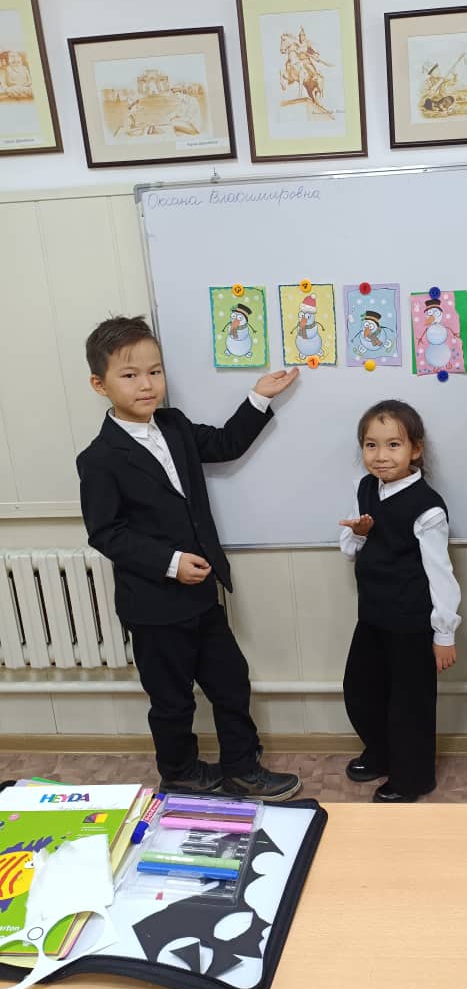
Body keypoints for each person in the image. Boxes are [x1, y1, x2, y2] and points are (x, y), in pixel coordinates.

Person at [77, 315, 302, 800]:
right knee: (172, 700)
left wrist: (258, 397)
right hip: (153, 604)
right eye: (130, 375)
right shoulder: (99, 458)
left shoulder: (174, 425)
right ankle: (179, 771)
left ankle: (242, 766)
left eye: (154, 372)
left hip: (202, 595)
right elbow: (106, 532)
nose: (146, 384)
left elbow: (224, 443)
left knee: (231, 682)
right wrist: (170, 561)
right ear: (100, 384)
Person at [339, 400, 461, 803]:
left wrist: (444, 633)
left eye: (393, 445)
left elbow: (440, 573)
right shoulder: (365, 488)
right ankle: (382, 754)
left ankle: (412, 779)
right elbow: (349, 549)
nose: (381, 455)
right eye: (371, 445)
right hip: (373, 616)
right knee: (360, 691)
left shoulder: (427, 506)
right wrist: (359, 533)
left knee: (410, 705)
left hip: (411, 622)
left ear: (415, 449)